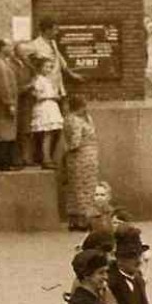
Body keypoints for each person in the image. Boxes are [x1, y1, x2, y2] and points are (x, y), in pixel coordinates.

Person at [61, 97, 102, 231]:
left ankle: (77, 218)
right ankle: (83, 219)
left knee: (80, 187)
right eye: (84, 106)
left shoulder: (84, 118)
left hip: (86, 158)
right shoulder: (74, 120)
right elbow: (75, 141)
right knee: (81, 188)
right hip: (80, 157)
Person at [0, 40, 22, 172]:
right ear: (2, 48)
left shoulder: (1, 63)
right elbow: (4, 86)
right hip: (2, 106)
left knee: (2, 134)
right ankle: (4, 164)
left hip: (1, 106)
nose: (11, 48)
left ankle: (2, 163)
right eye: (9, 46)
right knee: (3, 135)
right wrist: (9, 104)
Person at [29, 54, 64, 167]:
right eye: (46, 67)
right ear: (40, 68)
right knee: (46, 133)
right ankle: (45, 158)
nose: (49, 69)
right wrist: (52, 96)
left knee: (52, 133)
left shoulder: (46, 80)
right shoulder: (39, 80)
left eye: (50, 67)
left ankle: (46, 156)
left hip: (51, 107)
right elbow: (38, 96)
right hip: (44, 107)